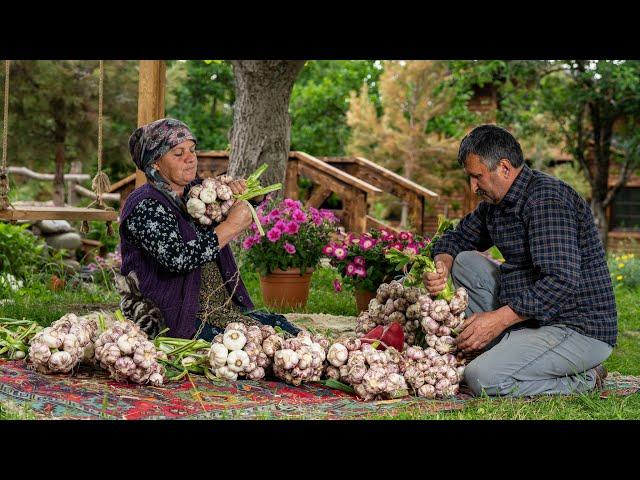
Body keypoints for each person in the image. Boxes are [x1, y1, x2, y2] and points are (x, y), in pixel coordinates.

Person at [423, 124, 617, 397]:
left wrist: (497, 321)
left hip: (576, 327)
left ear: (504, 167)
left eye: (477, 176)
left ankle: (585, 377)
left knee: (482, 378)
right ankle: (518, 349)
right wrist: (442, 265)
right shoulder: (495, 204)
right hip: (533, 319)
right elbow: (455, 239)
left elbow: (560, 281)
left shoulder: (547, 200)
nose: (472, 186)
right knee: (464, 261)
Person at [118, 117, 300, 340]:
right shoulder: (146, 205)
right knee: (261, 342)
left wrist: (247, 195)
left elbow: (231, 205)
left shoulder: (196, 191)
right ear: (155, 163)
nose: (190, 159)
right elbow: (177, 258)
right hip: (175, 315)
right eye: (178, 153)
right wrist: (230, 227)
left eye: (192, 150)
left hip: (216, 307)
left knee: (284, 329)